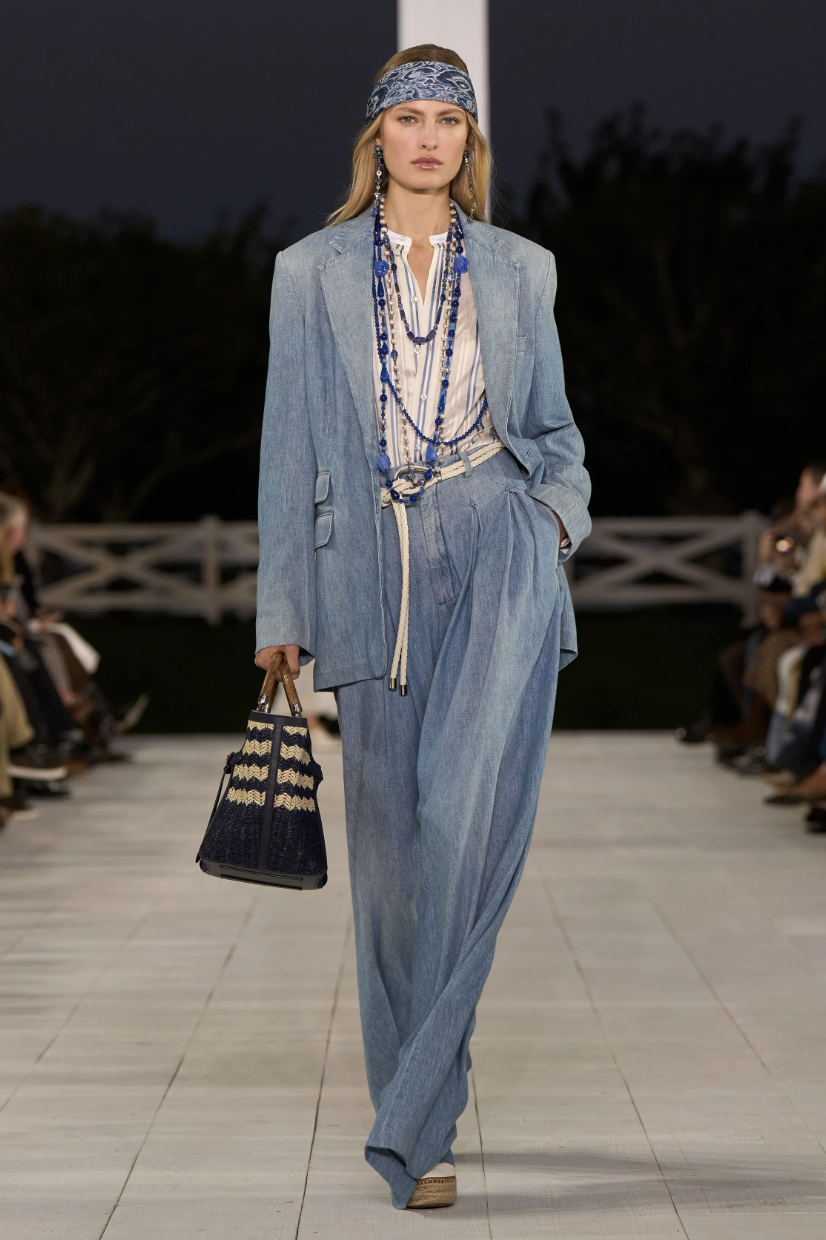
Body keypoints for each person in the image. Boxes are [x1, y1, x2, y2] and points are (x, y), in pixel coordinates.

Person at [253, 45, 590, 1211]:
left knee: (461, 821)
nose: (430, 137)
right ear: (377, 138)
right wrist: (282, 609)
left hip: (499, 545)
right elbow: (286, 447)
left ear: (469, 142)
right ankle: (424, 1095)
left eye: (451, 119)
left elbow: (555, 431)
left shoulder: (522, 268)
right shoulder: (307, 272)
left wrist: (551, 523)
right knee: (392, 858)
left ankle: (415, 1122)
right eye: (411, 119)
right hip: (369, 569)